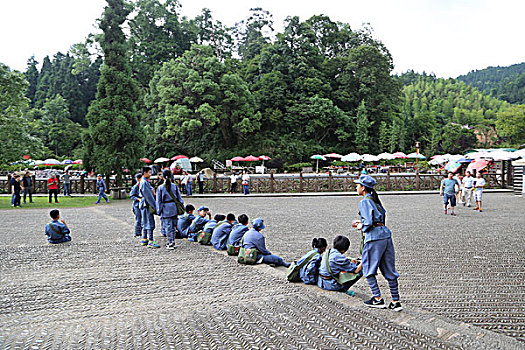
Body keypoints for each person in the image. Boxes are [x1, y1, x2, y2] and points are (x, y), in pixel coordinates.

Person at [353, 175, 402, 311]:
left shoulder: (364, 202)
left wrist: (360, 226)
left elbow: (368, 223)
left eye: (357, 185)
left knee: (369, 268)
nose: (356, 188)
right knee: (389, 269)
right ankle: (395, 301)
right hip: (385, 235)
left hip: (373, 237)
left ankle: (377, 298)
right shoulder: (376, 202)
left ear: (363, 188)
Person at [156, 169, 184, 250]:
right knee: (173, 226)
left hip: (165, 208)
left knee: (168, 226)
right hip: (174, 207)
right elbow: (179, 198)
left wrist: (159, 211)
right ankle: (173, 241)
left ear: (163, 177)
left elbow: (159, 201)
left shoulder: (160, 187)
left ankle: (170, 242)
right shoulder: (174, 186)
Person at [139, 167, 160, 248]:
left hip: (144, 204)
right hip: (147, 204)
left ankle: (144, 239)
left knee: (144, 221)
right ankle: (150, 240)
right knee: (149, 222)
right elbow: (149, 196)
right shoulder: (144, 182)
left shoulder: (143, 181)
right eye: (149, 172)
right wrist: (154, 206)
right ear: (144, 173)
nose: (150, 174)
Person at [129, 173, 143, 237]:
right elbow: (131, 195)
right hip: (137, 205)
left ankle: (142, 232)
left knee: (143, 219)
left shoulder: (144, 185)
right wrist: (138, 199)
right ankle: (137, 233)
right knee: (138, 219)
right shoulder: (135, 187)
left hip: (143, 204)